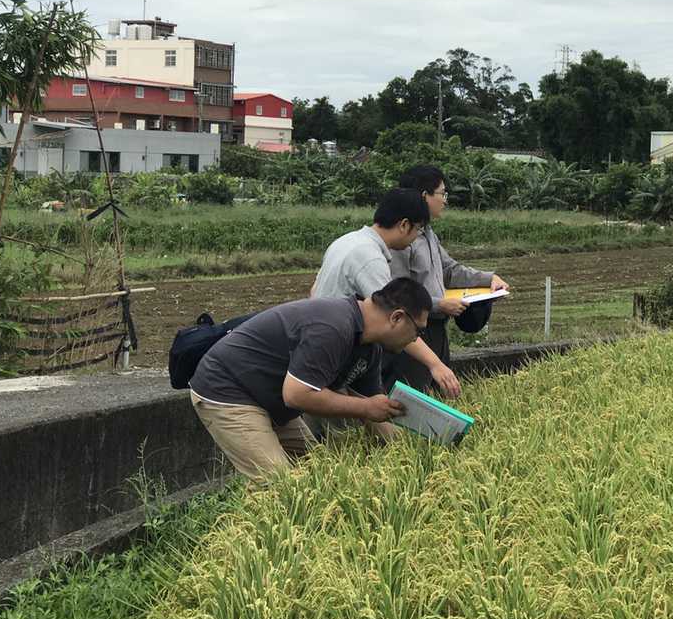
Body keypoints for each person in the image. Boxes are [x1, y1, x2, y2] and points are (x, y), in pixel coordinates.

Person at [188, 278, 432, 481]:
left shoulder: (371, 348)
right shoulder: (333, 327)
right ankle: (255, 537)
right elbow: (298, 394)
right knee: (279, 483)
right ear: (397, 317)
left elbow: (373, 408)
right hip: (228, 390)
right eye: (418, 331)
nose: (415, 339)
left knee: (316, 470)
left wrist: (410, 455)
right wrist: (367, 407)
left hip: (271, 398)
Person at [311, 187, 461, 397]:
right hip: (333, 351)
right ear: (404, 225)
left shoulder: (346, 241)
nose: (417, 236)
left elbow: (314, 290)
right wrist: (436, 365)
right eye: (418, 230)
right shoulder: (370, 258)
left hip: (321, 343)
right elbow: (395, 317)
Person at [386, 164, 509, 392]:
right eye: (442, 193)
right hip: (412, 332)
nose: (445, 200)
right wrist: (438, 304)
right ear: (424, 196)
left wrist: (489, 279)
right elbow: (396, 293)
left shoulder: (429, 233)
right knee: (414, 398)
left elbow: (450, 270)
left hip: (437, 329)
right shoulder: (402, 239)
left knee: (440, 393)